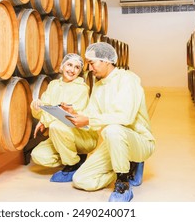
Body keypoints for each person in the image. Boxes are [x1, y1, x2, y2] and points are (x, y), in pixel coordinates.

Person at [61, 42, 155, 202]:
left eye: (92, 63)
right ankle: (127, 163)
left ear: (106, 60)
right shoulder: (98, 86)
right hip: (113, 142)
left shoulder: (127, 80)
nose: (89, 69)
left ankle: (123, 181)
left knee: (112, 129)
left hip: (139, 140)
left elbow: (125, 117)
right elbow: (91, 115)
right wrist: (75, 114)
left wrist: (89, 119)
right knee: (80, 180)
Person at [30, 53, 99, 182]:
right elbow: (45, 108)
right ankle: (76, 158)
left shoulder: (81, 88)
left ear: (80, 72)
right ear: (62, 66)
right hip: (61, 135)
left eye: (77, 67)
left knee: (57, 125)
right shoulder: (54, 85)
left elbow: (66, 117)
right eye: (69, 65)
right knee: (38, 155)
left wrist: (44, 121)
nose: (72, 70)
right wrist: (37, 108)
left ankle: (72, 165)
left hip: (82, 135)